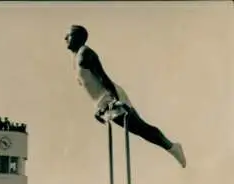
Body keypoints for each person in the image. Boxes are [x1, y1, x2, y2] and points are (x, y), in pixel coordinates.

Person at [65, 25, 187, 168]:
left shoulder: (85, 53)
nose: (65, 38)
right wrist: (98, 109)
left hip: (111, 96)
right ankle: (172, 147)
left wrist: (115, 100)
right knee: (140, 130)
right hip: (102, 102)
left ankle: (173, 147)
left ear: (78, 37)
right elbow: (91, 86)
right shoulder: (75, 59)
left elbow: (103, 78)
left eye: (69, 35)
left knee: (141, 129)